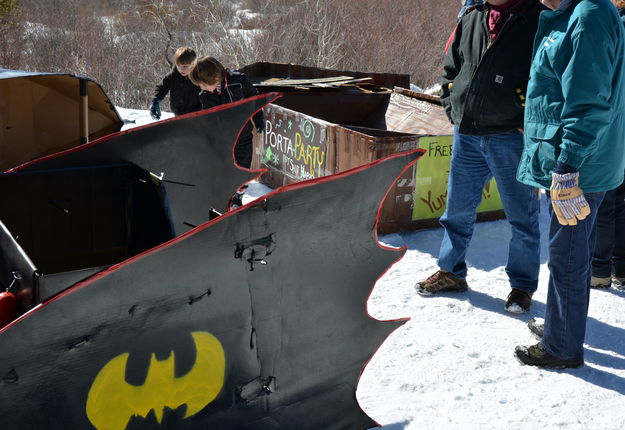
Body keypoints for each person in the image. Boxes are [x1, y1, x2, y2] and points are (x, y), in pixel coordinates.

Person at [515, 0, 625, 368]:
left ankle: (561, 345)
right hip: (582, 161)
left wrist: (566, 168)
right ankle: (561, 327)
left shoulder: (589, 15)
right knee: (572, 253)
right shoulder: (581, 12)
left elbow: (588, 102)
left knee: (567, 257)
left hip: (581, 167)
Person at [414, 0, 543, 314]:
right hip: (468, 134)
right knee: (456, 211)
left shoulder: (536, 19)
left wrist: (523, 115)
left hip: (510, 136)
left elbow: (545, 77)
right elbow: (451, 69)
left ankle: (522, 287)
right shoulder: (473, 18)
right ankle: (451, 271)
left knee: (522, 217)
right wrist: (452, 104)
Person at [590, 0, 625, 290]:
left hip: (614, 125)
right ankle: (620, 269)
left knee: (608, 201)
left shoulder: (609, 23)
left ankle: (600, 268)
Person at [189, 56, 263, 169]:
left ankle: (241, 185)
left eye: (203, 84)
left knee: (242, 166)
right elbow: (208, 117)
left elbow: (255, 99)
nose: (201, 88)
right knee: (225, 168)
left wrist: (258, 119)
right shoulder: (205, 95)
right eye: (200, 85)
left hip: (243, 134)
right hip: (224, 139)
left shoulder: (239, 81)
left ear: (214, 78)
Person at [150, 46, 202, 120]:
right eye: (178, 66)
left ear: (193, 64)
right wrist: (156, 100)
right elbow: (161, 88)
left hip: (197, 115)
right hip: (178, 115)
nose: (181, 69)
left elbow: (207, 93)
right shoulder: (173, 76)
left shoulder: (199, 77)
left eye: (185, 66)